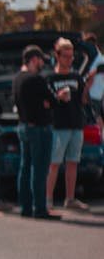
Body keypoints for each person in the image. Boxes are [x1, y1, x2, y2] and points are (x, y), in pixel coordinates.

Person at [12, 45, 60, 220]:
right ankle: (39, 208)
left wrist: (46, 102)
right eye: (40, 60)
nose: (42, 64)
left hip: (23, 126)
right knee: (39, 170)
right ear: (33, 60)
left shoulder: (17, 79)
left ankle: (25, 207)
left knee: (25, 167)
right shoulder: (36, 80)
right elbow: (52, 101)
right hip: (39, 128)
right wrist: (50, 102)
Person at [45, 37, 89, 212]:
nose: (69, 60)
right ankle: (48, 199)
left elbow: (82, 101)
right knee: (54, 163)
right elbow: (46, 103)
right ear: (57, 56)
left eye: (71, 57)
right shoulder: (50, 78)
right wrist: (58, 97)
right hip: (58, 126)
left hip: (76, 124)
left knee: (73, 162)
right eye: (66, 56)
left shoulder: (76, 76)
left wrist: (88, 86)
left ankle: (69, 198)